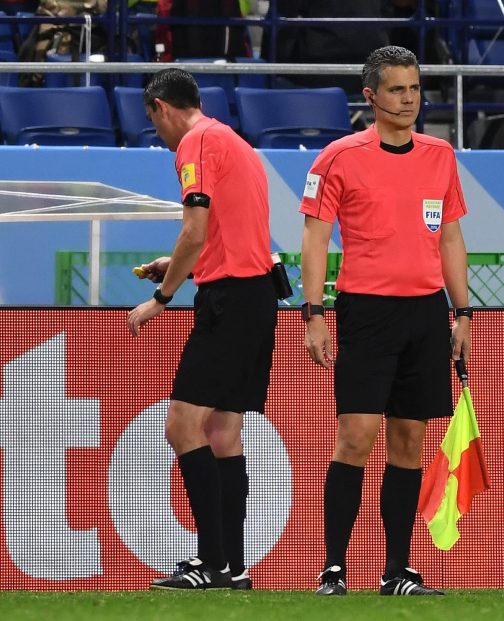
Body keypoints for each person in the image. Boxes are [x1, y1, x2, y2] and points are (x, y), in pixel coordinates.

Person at [300, 45, 471, 596]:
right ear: (371, 96)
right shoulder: (338, 157)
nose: (410, 99)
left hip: (425, 313)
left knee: (409, 441)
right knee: (356, 436)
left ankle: (397, 571)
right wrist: (314, 312)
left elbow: (449, 236)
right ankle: (333, 569)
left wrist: (462, 311)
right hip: (365, 312)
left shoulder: (441, 155)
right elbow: (316, 238)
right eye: (397, 90)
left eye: (416, 89)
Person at [127, 68, 277, 591]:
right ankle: (232, 567)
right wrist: (174, 264)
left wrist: (160, 298)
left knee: (181, 425)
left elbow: (196, 229)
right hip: (256, 298)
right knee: (222, 434)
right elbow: (221, 235)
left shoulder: (193, 144)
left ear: (161, 108)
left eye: (154, 121)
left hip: (230, 303)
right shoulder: (231, 140)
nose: (159, 132)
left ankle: (210, 563)